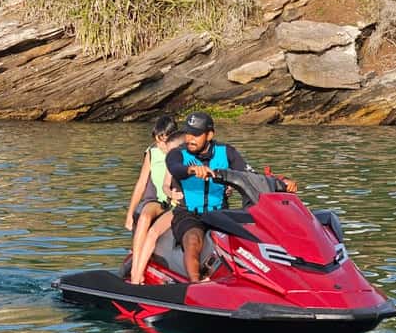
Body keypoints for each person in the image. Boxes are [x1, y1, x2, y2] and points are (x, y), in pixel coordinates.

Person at [166, 110, 296, 282]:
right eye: (188, 133)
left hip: (220, 213)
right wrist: (191, 169)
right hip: (189, 214)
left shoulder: (227, 152)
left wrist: (281, 181)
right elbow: (175, 168)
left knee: (250, 238)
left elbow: (251, 175)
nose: (190, 138)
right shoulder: (177, 154)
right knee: (193, 239)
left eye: (196, 135)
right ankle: (195, 284)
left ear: (209, 135)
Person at [124, 115, 178, 282]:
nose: (161, 146)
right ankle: (135, 270)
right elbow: (141, 183)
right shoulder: (152, 153)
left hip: (176, 203)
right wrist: (130, 213)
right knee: (145, 216)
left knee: (155, 230)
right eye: (158, 141)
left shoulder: (179, 153)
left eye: (164, 142)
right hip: (160, 201)